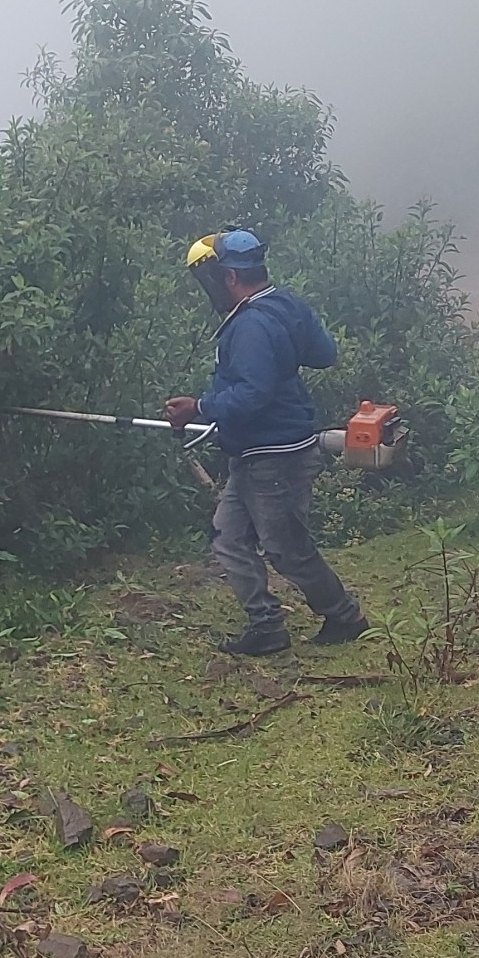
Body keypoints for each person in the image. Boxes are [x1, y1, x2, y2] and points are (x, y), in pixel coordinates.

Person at [164, 229, 365, 656]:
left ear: (229, 277)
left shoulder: (250, 324)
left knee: (287, 549)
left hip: (275, 457)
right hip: (257, 452)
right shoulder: (285, 304)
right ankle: (267, 626)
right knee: (229, 537)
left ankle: (345, 617)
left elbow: (252, 396)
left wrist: (198, 407)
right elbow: (324, 353)